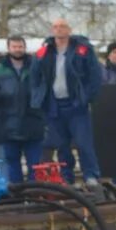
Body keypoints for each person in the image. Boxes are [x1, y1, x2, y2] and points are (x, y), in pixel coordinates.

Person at [29, 17, 105, 182]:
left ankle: (91, 175)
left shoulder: (83, 49)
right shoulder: (44, 52)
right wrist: (39, 97)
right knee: (61, 145)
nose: (59, 29)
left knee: (84, 143)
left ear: (69, 30)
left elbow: (95, 75)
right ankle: (66, 176)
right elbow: (34, 78)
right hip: (54, 104)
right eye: (55, 26)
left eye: (63, 26)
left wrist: (87, 97)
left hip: (77, 103)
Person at [0, 37, 44, 182]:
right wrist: (3, 96)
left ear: (25, 47)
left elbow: (45, 88)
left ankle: (35, 194)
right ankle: (18, 196)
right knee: (12, 165)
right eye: (14, 46)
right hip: (8, 124)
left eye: (20, 46)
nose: (17, 49)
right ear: (8, 48)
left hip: (33, 123)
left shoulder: (36, 67)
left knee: (35, 165)